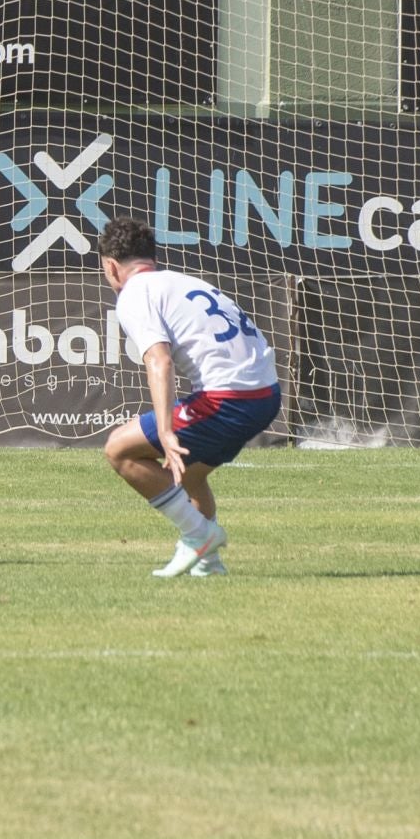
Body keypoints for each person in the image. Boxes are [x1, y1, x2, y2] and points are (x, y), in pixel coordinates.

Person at [98, 217, 281, 578]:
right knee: (190, 476)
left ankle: (199, 534)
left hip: (231, 398)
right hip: (266, 394)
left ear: (112, 266)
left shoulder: (134, 293)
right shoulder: (180, 281)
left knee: (118, 449)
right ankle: (208, 565)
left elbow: (159, 360)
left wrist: (165, 432)